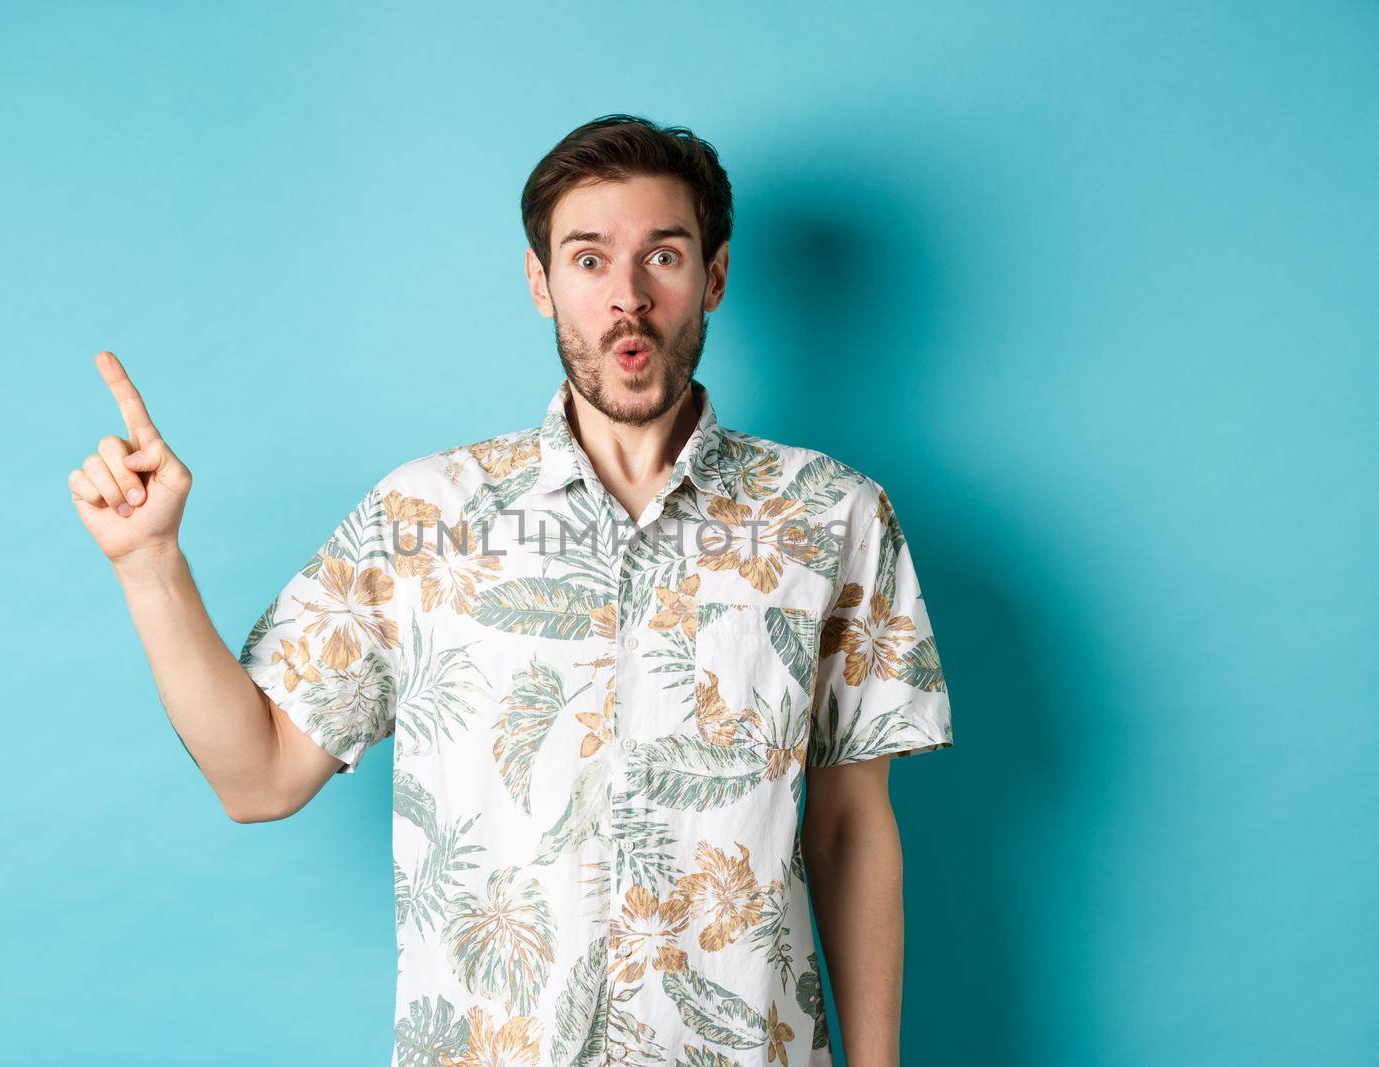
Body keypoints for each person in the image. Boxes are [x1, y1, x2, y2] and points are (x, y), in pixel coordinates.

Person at [69, 114, 953, 1067]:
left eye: (663, 254)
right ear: (541, 284)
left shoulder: (833, 516)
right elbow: (258, 777)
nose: (627, 297)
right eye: (587, 259)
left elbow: (853, 828)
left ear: (716, 275)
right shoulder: (424, 518)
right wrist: (148, 561)